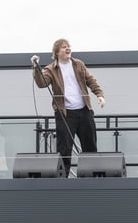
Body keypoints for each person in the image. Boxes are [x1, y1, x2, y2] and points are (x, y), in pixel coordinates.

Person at [31, 38, 105, 177]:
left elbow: (91, 81)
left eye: (69, 46)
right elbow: (42, 83)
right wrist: (36, 68)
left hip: (84, 111)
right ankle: (63, 179)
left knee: (90, 145)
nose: (68, 48)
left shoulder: (78, 64)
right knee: (64, 148)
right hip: (65, 113)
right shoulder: (51, 69)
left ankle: (91, 178)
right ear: (57, 52)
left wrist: (99, 95)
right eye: (64, 47)